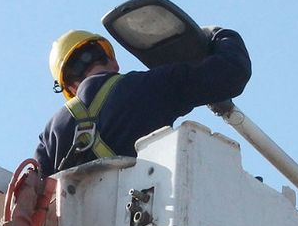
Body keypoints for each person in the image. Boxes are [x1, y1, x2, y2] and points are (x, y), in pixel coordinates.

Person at [34, 26, 252, 175]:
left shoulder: (51, 133)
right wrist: (219, 34)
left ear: (69, 87)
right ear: (112, 60)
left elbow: (32, 189)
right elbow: (232, 72)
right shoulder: (148, 86)